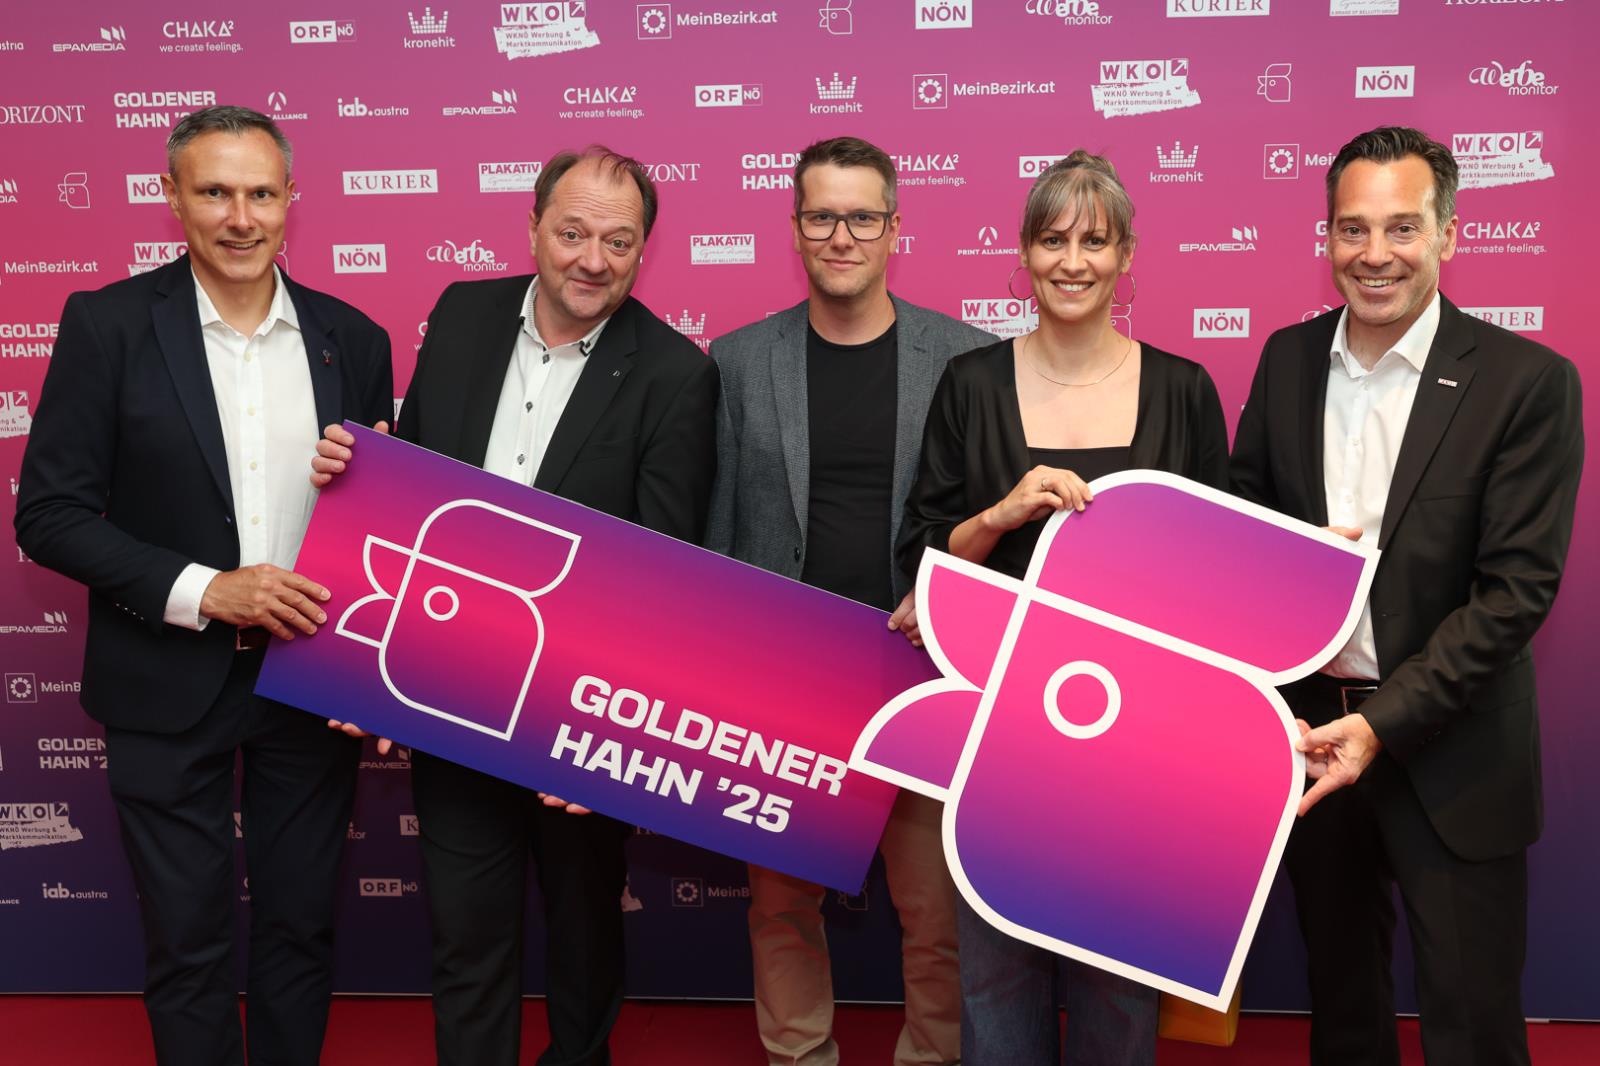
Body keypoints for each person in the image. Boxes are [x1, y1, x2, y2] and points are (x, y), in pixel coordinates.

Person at [313, 146, 717, 1066]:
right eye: (572, 233)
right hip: (446, 691)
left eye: (619, 242)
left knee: (584, 935)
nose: (593, 260)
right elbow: (411, 494)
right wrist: (361, 473)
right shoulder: (462, 313)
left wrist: (607, 745)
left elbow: (666, 576)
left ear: (644, 248)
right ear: (533, 227)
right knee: (466, 939)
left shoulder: (675, 375)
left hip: (579, 719)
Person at [13, 105, 393, 1065]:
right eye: (215, 191)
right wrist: (205, 589)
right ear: (172, 197)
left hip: (311, 682)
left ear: (291, 199)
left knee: (301, 933)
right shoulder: (108, 325)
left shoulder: (354, 338)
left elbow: (383, 528)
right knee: (186, 945)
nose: (240, 217)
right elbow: (48, 515)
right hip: (161, 675)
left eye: (261, 192)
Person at [1230, 126, 1583, 1066]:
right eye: (1352, 229)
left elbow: (1514, 595)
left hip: (1455, 754)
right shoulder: (1286, 359)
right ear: (1326, 236)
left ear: (1448, 234)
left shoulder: (1527, 383)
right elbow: (1243, 536)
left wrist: (1382, 724)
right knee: (1344, 1019)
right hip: (1312, 747)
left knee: (1472, 1030)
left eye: (1402, 227)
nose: (1374, 254)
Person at [897, 150, 1228, 1065]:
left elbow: (1222, 583)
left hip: (1139, 748)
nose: (1072, 262)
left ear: (1127, 255)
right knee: (995, 986)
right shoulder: (969, 384)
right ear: (1023, 252)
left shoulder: (1184, 390)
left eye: (1095, 241)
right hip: (996, 737)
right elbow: (921, 569)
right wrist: (1001, 513)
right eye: (1052, 240)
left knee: (1120, 995)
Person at [706, 136, 990, 1066]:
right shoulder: (739, 361)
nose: (842, 236)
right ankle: (800, 1057)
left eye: (862, 217)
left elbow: (990, 527)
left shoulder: (964, 359)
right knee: (781, 907)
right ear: (795, 228)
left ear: (895, 228)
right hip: (783, 683)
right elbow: (714, 531)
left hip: (920, 673)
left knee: (935, 914)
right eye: (822, 216)